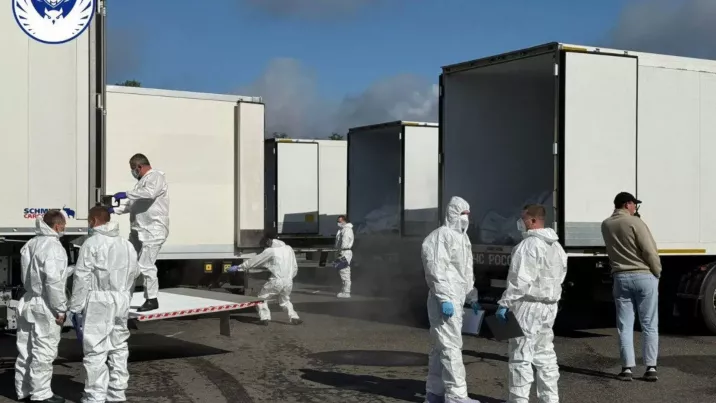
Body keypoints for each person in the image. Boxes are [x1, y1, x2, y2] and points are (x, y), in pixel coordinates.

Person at [495, 204, 568, 403]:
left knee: (521, 355)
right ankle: (550, 399)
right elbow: (560, 276)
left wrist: (505, 303)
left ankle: (518, 400)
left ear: (533, 220)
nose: (520, 222)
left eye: (523, 218)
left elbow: (519, 280)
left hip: (528, 305)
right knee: (545, 354)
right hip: (549, 305)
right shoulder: (557, 247)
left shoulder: (528, 246)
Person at [69, 206, 140, 402]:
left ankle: (95, 397)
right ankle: (117, 394)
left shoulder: (91, 243)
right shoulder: (127, 245)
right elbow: (135, 273)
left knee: (95, 349)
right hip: (121, 299)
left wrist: (75, 307)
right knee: (119, 347)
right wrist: (125, 296)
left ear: (93, 221)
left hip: (99, 300)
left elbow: (81, 277)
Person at [422, 196, 480, 403]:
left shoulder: (463, 238)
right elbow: (435, 269)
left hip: (455, 298)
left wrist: (471, 296)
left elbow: (466, 271)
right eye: (462, 213)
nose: (465, 218)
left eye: (468, 214)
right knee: (451, 347)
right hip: (444, 299)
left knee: (441, 347)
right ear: (452, 213)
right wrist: (444, 297)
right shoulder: (441, 236)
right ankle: (456, 395)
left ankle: (434, 393)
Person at [601, 191, 661, 382]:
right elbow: (649, 250)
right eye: (635, 204)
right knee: (649, 323)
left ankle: (626, 368)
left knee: (624, 325)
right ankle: (650, 367)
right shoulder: (636, 222)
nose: (635, 208)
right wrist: (657, 271)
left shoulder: (606, 224)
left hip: (620, 277)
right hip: (643, 275)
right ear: (627, 204)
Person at [15, 210, 69, 403]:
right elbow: (53, 281)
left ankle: (24, 390)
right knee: (44, 350)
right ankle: (41, 394)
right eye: (64, 225)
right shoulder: (53, 247)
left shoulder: (31, 243)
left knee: (26, 349)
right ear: (57, 226)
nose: (64, 229)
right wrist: (60, 309)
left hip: (28, 299)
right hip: (46, 303)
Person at [110, 153, 169, 312]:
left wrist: (126, 193)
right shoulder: (141, 183)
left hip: (153, 229)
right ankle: (125, 296)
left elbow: (150, 193)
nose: (132, 172)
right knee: (129, 261)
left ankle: (152, 299)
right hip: (139, 228)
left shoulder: (155, 177)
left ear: (139, 166)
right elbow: (133, 206)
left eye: (132, 169)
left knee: (145, 264)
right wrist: (113, 210)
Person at [230, 232, 302, 326]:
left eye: (265, 241)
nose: (265, 243)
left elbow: (255, 261)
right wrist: (289, 277)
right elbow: (295, 266)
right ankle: (294, 317)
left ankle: (265, 318)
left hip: (276, 281)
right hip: (289, 281)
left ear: (269, 240)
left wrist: (239, 267)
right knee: (285, 300)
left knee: (261, 298)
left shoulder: (271, 251)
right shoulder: (289, 249)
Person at [335, 215, 354, 298]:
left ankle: (346, 292)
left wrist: (341, 252)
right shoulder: (343, 229)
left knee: (344, 272)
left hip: (344, 252)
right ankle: (344, 290)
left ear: (344, 221)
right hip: (343, 252)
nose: (338, 223)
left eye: (339, 221)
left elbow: (344, 242)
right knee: (342, 271)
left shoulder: (346, 230)